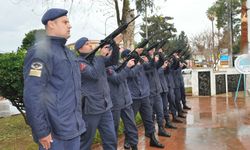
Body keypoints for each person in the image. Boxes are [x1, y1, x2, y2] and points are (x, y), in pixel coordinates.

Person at [23, 8, 85, 150]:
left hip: (73, 130)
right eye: (65, 22)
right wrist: (41, 131)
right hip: (55, 135)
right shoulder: (40, 53)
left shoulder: (68, 53)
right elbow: (32, 95)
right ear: (51, 24)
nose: (69, 25)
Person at [75, 35, 122, 150]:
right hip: (91, 109)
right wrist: (101, 56)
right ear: (79, 49)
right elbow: (93, 75)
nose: (90, 45)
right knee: (86, 141)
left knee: (111, 139)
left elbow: (113, 61)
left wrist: (114, 46)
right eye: (87, 44)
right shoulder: (78, 63)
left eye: (90, 42)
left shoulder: (96, 59)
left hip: (105, 106)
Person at [103, 48, 139, 150]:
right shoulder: (106, 67)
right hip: (115, 103)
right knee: (113, 129)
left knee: (131, 126)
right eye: (113, 51)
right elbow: (117, 79)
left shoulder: (119, 63)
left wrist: (136, 55)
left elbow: (131, 71)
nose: (116, 53)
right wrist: (127, 67)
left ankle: (134, 146)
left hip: (126, 100)